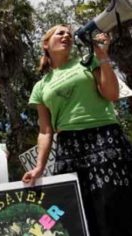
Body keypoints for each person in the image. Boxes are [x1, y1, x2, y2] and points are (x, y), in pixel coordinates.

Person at [21, 24, 132, 236]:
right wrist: (39, 167)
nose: (66, 36)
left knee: (115, 204)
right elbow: (45, 131)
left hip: (105, 137)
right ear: (46, 44)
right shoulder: (40, 87)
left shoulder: (88, 61)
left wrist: (103, 57)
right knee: (74, 210)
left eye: (69, 34)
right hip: (69, 147)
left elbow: (112, 95)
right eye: (60, 33)